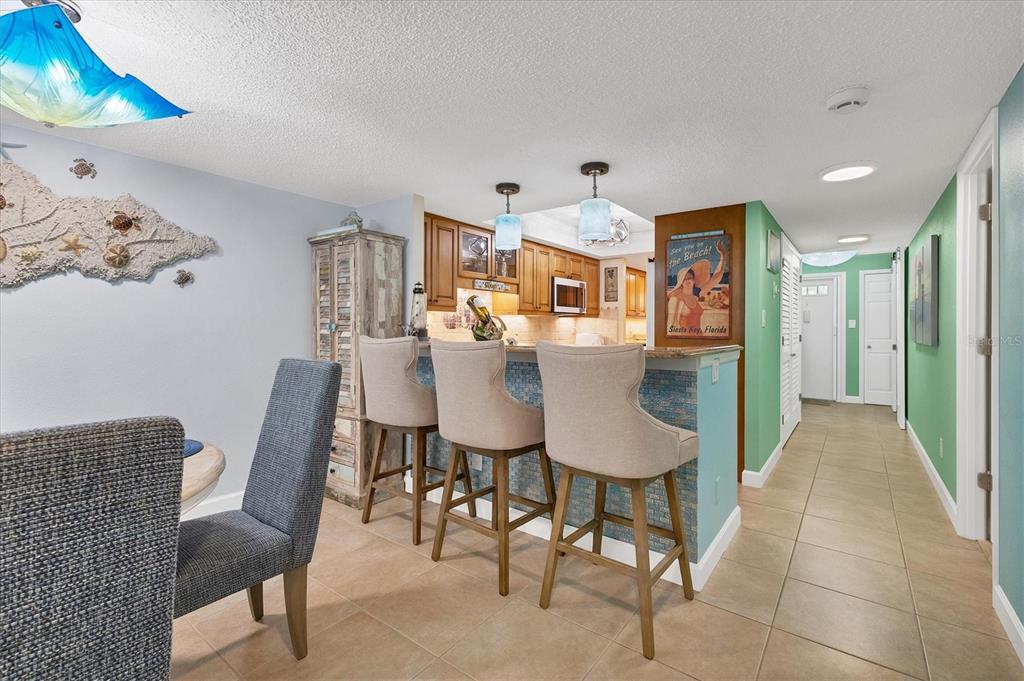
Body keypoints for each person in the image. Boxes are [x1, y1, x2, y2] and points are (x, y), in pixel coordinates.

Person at [666, 240, 727, 335]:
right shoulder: (676, 299)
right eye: (684, 279)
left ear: (694, 280)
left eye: (690, 278)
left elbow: (716, 277)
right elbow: (670, 326)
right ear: (681, 283)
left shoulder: (696, 294)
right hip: (684, 340)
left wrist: (723, 255)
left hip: (700, 338)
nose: (687, 281)